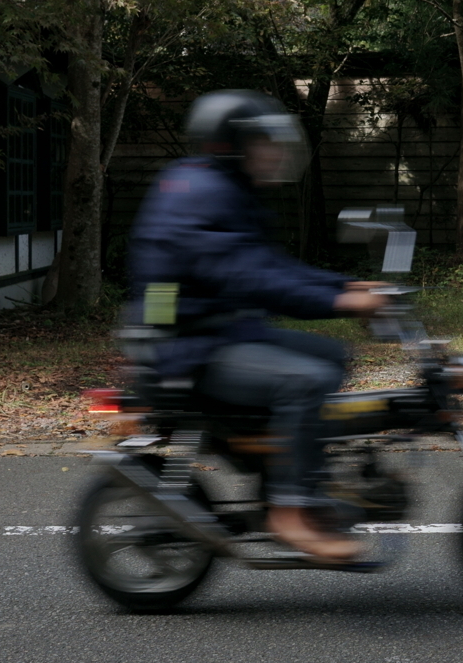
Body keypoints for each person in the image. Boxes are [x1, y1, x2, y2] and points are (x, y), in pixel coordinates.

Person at [128, 90, 387, 561]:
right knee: (308, 380)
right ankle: (290, 510)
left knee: (334, 356)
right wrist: (342, 299)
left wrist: (346, 283)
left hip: (218, 331)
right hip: (188, 349)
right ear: (231, 143)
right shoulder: (200, 195)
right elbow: (252, 278)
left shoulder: (222, 189)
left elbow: (271, 266)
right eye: (264, 141)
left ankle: (285, 472)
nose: (275, 151)